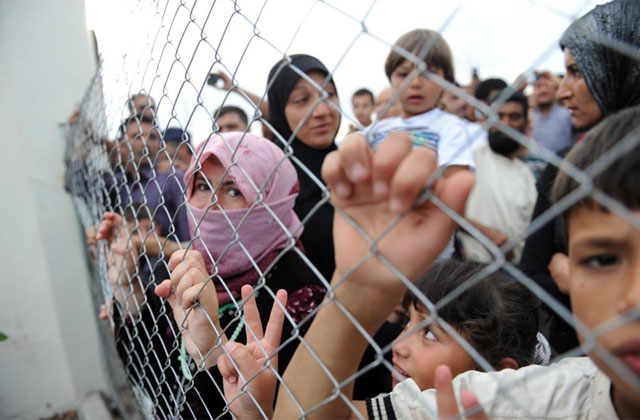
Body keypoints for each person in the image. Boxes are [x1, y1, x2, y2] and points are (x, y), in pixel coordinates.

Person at [99, 131, 325, 419]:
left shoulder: (299, 299)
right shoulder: (189, 270)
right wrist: (126, 287)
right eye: (202, 186)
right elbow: (154, 379)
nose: (210, 206)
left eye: (233, 190)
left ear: (273, 203)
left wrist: (214, 353)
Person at [520, 0, 640, 355]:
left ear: (623, 66)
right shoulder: (565, 167)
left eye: (578, 72)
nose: (562, 92)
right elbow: (532, 266)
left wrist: (579, 273)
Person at [266, 54, 341, 282]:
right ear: (279, 109)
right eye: (301, 100)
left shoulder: (357, 165)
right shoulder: (271, 181)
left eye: (328, 95)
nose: (321, 111)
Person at [364, 29, 475, 176]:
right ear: (391, 79)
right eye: (404, 74)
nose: (415, 83)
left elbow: (454, 181)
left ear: (446, 80)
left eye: (428, 73)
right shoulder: (378, 128)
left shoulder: (451, 128)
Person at [458, 90, 537, 264]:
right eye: (498, 116)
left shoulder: (526, 174)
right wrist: (487, 234)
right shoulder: (470, 159)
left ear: (525, 123)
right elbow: (445, 209)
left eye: (514, 117)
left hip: (518, 270)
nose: (505, 123)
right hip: (473, 267)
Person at [106, 114, 190, 242]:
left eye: (152, 137)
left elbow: (188, 236)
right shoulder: (118, 183)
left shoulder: (173, 178)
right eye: (137, 136)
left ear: (160, 145)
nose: (145, 143)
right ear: (122, 144)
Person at [531, 70, 574, 153]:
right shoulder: (529, 116)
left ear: (556, 90)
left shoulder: (568, 114)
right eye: (538, 86)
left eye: (547, 86)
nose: (543, 90)